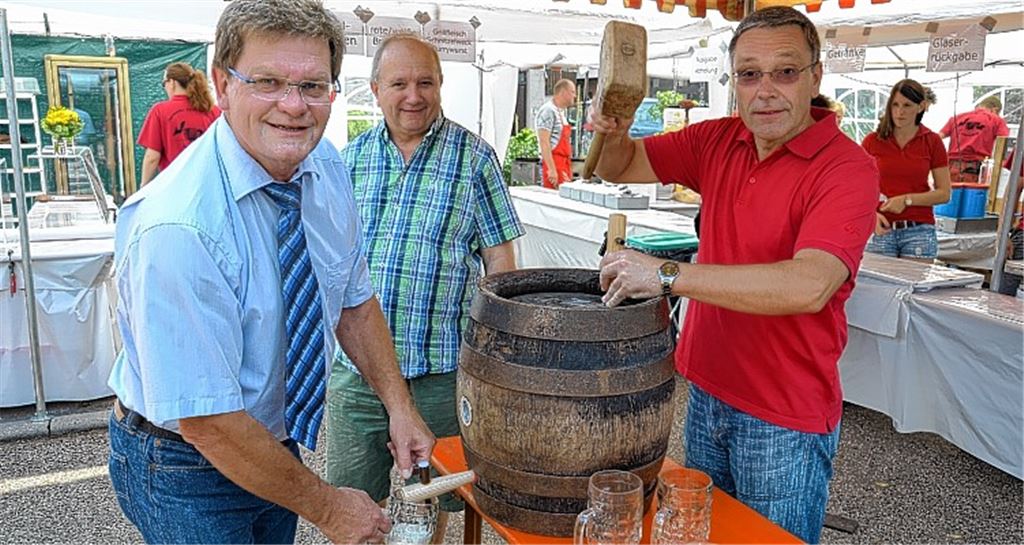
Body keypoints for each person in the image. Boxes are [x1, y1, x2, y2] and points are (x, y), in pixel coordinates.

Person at [107, 2, 434, 543]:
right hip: (185, 464)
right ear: (221, 83)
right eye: (267, 81)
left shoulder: (325, 167)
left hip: (273, 441)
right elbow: (208, 422)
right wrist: (328, 507)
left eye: (313, 86)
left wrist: (400, 407)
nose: (293, 106)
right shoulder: (178, 226)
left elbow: (353, 299)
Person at [589, 6, 878, 543]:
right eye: (749, 74)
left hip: (784, 414)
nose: (765, 89)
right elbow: (619, 166)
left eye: (784, 72)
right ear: (734, 81)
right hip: (706, 392)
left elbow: (808, 285)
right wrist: (614, 129)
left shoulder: (847, 168)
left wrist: (669, 275)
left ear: (816, 76)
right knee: (705, 535)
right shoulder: (718, 139)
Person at [325, 33, 524, 541]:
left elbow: (500, 265)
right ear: (374, 89)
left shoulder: (474, 158)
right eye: (398, 84)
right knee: (350, 498)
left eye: (424, 82)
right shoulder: (349, 160)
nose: (413, 95)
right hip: (360, 371)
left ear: (440, 85)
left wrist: (495, 354)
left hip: (439, 371)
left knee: (436, 498)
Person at [861, 79, 951, 262]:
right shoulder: (872, 141)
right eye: (895, 105)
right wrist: (870, 215)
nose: (899, 112)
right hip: (880, 227)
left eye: (907, 105)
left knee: (916, 289)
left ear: (921, 107)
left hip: (919, 230)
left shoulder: (932, 141)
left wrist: (907, 200)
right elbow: (855, 186)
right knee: (878, 288)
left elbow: (944, 193)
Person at [138, 62, 221, 185]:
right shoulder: (213, 111)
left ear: (172, 83)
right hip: (208, 184)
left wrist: (143, 187)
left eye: (164, 84)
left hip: (175, 186)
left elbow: (152, 157)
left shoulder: (160, 111)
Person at [940, 95, 1009, 183]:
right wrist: (1000, 164)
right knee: (971, 196)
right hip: (973, 170)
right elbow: (1003, 141)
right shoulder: (996, 120)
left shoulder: (957, 118)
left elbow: (937, 138)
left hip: (949, 168)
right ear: (994, 110)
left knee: (948, 196)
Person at [535, 78, 577, 188]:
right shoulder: (548, 111)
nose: (575, 96)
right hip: (553, 164)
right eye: (572, 92)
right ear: (563, 92)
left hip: (563, 164)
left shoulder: (561, 113)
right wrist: (551, 169)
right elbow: (544, 141)